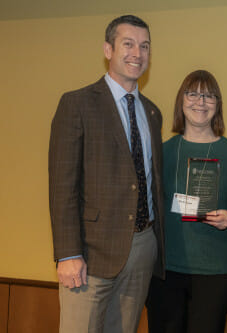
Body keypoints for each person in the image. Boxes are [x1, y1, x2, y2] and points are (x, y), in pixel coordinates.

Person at [49, 15, 164, 333]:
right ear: (108, 49)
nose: (137, 54)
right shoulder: (77, 104)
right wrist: (68, 253)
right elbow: (62, 186)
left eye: (144, 46)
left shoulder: (152, 112)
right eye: (128, 44)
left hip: (142, 251)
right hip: (90, 256)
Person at [146, 70, 227, 333]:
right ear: (181, 100)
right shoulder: (162, 151)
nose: (200, 102)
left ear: (218, 104)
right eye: (193, 94)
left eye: (209, 96)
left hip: (215, 270)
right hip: (166, 269)